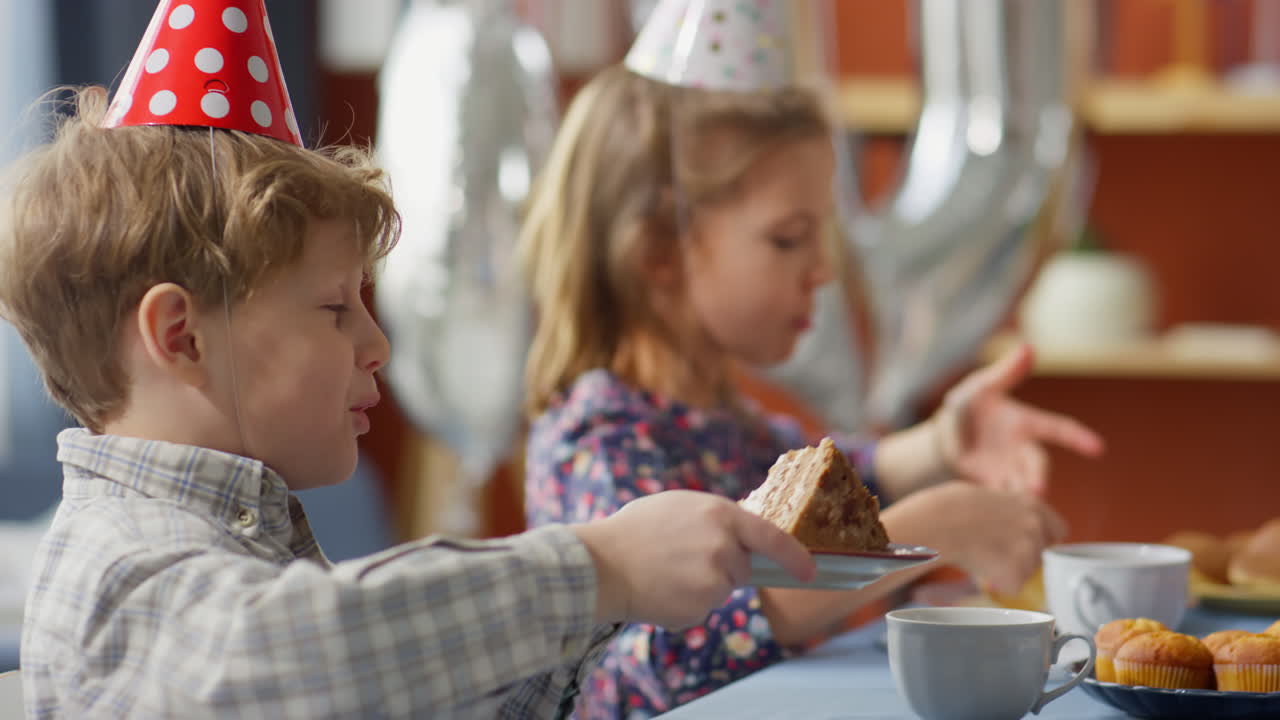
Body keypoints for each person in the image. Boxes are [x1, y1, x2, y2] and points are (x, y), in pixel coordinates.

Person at [0, 6, 815, 717]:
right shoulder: (118, 561)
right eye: (333, 308)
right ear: (181, 336)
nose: (375, 344)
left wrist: (611, 594)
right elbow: (282, 658)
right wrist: (596, 567)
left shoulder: (247, 540)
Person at [518, 36, 1105, 720]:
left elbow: (845, 486)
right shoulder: (596, 440)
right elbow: (665, 657)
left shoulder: (726, 424)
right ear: (659, 253)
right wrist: (927, 534)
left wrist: (944, 443)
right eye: (788, 238)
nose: (822, 271)